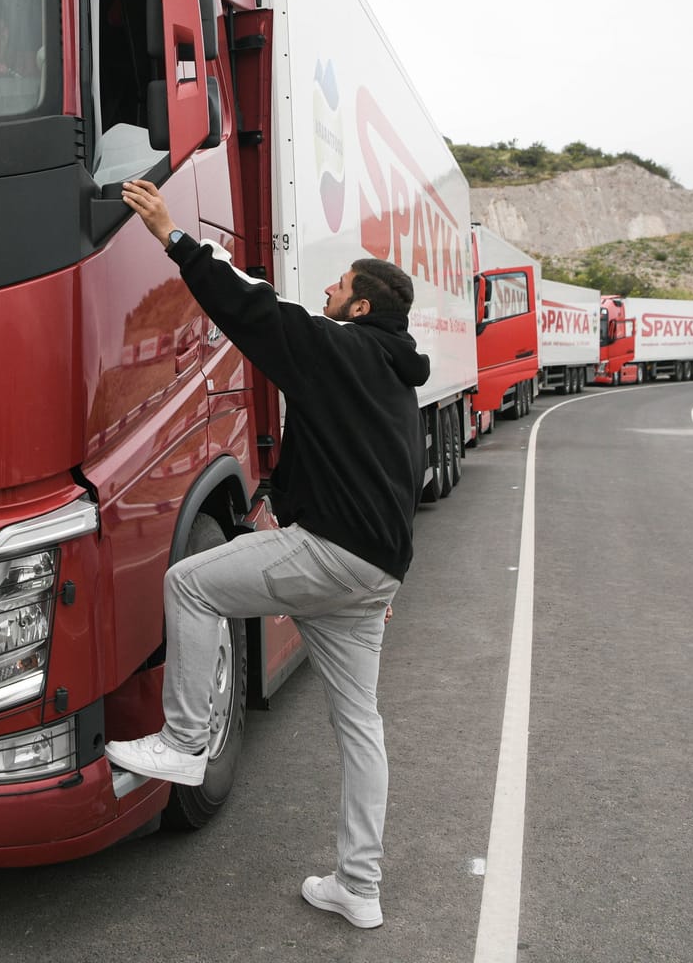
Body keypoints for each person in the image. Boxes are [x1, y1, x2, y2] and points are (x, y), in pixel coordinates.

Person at [105, 177, 430, 931]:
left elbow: (251, 308)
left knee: (190, 584)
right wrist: (288, 501)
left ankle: (186, 742)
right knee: (360, 726)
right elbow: (385, 472)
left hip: (335, 558)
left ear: (358, 307)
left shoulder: (339, 348)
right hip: (372, 569)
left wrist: (172, 236)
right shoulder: (392, 379)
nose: (325, 288)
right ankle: (360, 887)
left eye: (338, 284)